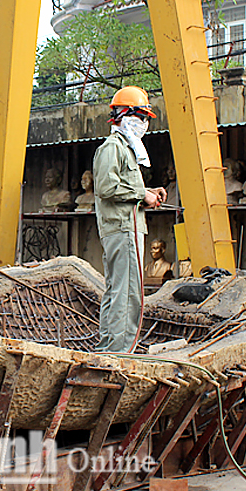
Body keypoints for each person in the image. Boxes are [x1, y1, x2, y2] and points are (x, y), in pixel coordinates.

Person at [92, 86, 166, 353]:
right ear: (127, 116)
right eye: (142, 117)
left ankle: (111, 348)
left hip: (127, 228)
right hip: (122, 230)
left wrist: (148, 193)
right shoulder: (112, 147)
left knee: (119, 291)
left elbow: (123, 189)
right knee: (128, 293)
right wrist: (141, 194)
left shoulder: (126, 149)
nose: (145, 124)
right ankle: (120, 353)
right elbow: (106, 187)